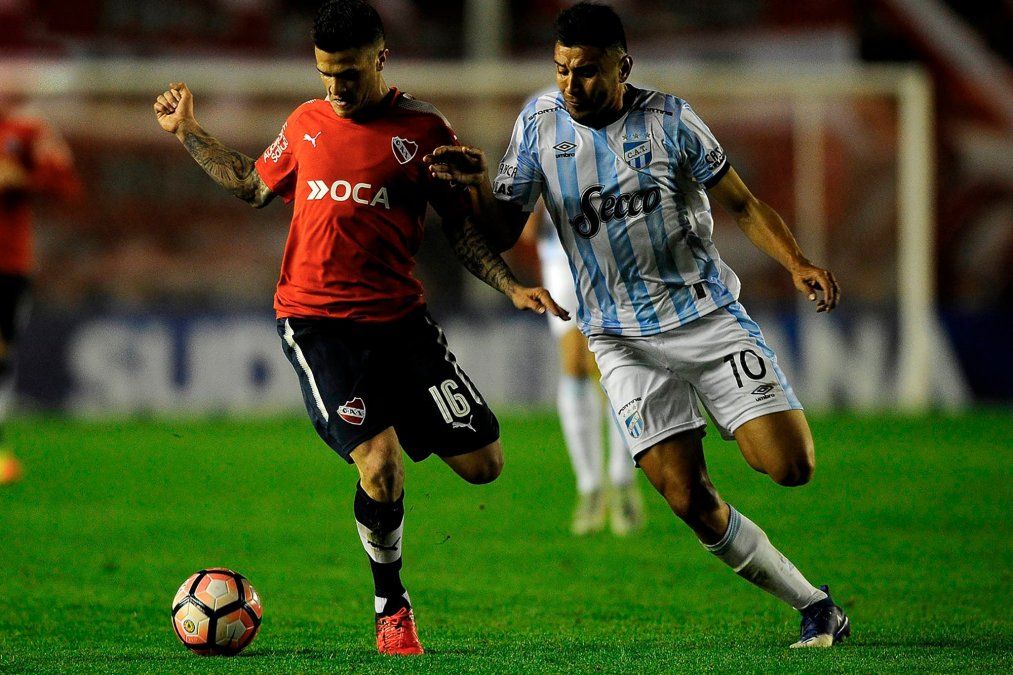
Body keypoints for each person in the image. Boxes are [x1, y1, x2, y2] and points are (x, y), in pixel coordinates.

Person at [426, 1, 850, 649]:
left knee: (790, 467)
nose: (572, 85)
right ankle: (814, 605)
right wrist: (477, 190)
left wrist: (795, 260)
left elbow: (742, 201)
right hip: (618, 340)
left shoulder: (672, 120)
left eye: (589, 71)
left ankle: (735, 411)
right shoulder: (538, 123)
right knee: (687, 498)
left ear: (623, 66)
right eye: (562, 69)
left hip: (706, 318)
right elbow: (503, 229)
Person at [153, 0, 566, 656]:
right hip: (316, 324)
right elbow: (250, 184)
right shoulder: (306, 122)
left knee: (484, 464)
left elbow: (461, 226)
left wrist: (509, 283)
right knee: (379, 463)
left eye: (347, 73)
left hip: (401, 322)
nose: (335, 88)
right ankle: (390, 604)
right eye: (325, 74)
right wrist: (188, 130)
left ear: (380, 58)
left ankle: (385, 433)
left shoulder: (425, 129)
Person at [519, 204, 644, 536]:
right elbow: (526, 231)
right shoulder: (533, 151)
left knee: (609, 369)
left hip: (607, 259)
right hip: (560, 262)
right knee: (574, 366)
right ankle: (590, 487)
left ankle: (621, 480)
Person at [0, 95, 80, 484]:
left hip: (8, 264)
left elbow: (65, 183)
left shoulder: (25, 132)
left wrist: (23, 179)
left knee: (1, 351)